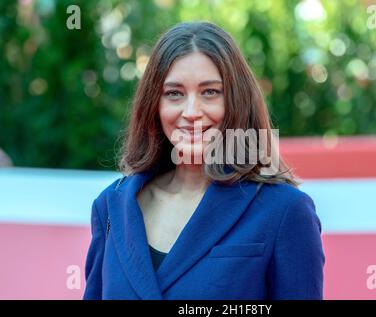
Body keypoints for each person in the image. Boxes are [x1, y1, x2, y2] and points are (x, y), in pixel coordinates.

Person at [83, 21, 324, 300]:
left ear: (236, 101)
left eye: (210, 92)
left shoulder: (285, 210)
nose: (191, 111)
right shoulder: (111, 207)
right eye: (174, 93)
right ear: (154, 105)